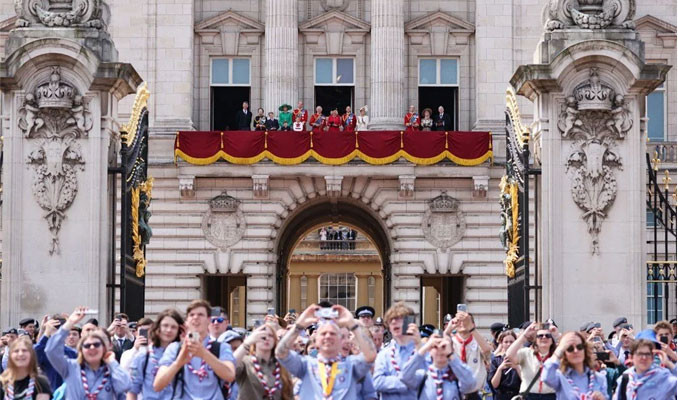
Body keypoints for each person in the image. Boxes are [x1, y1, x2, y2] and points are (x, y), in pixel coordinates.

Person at [275, 303, 377, 398]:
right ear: (316, 342)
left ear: (340, 340)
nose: (328, 336)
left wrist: (352, 324)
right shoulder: (306, 365)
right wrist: (299, 325)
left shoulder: (351, 365)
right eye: (323, 334)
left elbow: (370, 355)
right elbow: (280, 353)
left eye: (332, 334)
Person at [154, 300, 236, 399]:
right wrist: (178, 363)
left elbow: (230, 375)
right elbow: (158, 385)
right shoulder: (175, 348)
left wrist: (204, 354)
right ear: (187, 321)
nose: (196, 318)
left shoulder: (221, 347)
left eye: (200, 314)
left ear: (209, 320)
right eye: (192, 315)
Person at [46, 307, 131, 399]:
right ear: (81, 349)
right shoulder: (71, 367)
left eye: (96, 344)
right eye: (87, 345)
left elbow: (126, 385)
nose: (92, 348)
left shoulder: (110, 370)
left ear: (103, 348)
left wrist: (112, 363)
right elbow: (51, 351)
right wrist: (69, 323)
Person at [127, 309, 184, 400]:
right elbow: (132, 391)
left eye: (173, 327)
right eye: (165, 326)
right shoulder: (143, 356)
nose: (169, 330)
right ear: (158, 328)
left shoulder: (183, 355)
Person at [373, 302, 425, 399]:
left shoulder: (422, 350)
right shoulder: (384, 354)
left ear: (408, 322)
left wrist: (390, 381)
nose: (393, 322)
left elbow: (426, 377)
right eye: (390, 320)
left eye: (397, 319)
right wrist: (406, 382)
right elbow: (377, 382)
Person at [400, 334, 476, 399]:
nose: (440, 350)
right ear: (430, 350)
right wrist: (424, 348)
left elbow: (470, 383)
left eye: (443, 347)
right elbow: (404, 376)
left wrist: (451, 355)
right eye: (435, 347)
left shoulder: (457, 377)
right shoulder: (423, 376)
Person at [232, 324, 293, 400]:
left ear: (275, 340)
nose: (267, 338)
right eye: (262, 336)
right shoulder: (245, 362)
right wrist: (247, 343)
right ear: (254, 340)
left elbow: (289, 394)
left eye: (270, 336)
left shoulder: (281, 365)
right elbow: (230, 366)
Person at [542, 331, 608, 400]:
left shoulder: (599, 378)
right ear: (564, 353)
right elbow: (546, 377)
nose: (576, 351)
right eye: (570, 349)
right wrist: (559, 350)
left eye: (579, 347)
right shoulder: (560, 377)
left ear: (584, 350)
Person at [446, 311, 492, 399]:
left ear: (473, 324)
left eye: (466, 321)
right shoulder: (450, 341)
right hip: (455, 392)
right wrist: (448, 330)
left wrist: (472, 329)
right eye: (460, 321)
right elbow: (439, 350)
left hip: (475, 393)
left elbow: (486, 351)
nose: (463, 323)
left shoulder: (478, 341)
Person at [506, 322, 557, 399]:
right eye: (540, 336)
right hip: (529, 395)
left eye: (548, 336)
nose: (544, 337)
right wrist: (524, 335)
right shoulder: (526, 353)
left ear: (552, 340)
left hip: (551, 396)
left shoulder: (557, 355)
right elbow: (509, 355)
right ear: (535, 340)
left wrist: (557, 335)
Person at [612, 339, 677, 399]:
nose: (644, 357)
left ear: (652, 358)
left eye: (647, 354)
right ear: (631, 357)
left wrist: (669, 364)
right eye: (640, 354)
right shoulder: (626, 378)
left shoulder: (662, 377)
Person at [34, 316, 76, 391]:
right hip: (51, 393)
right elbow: (34, 354)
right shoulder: (44, 352)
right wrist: (45, 332)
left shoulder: (72, 353)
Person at [489, 330, 522, 400]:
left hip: (518, 395)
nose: (509, 344)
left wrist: (517, 367)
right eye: (506, 342)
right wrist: (500, 368)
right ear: (502, 343)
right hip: (501, 395)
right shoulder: (496, 360)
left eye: (511, 342)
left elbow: (526, 381)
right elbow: (494, 385)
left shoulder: (521, 359)